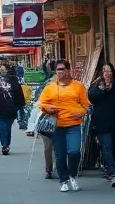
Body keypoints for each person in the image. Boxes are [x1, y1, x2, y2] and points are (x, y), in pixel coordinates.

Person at [37, 59, 91, 192]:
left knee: (74, 152)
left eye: (62, 69)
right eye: (57, 69)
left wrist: (80, 112)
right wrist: (48, 108)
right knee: (60, 154)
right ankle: (63, 180)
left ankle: (72, 175)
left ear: (68, 70)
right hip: (57, 125)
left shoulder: (78, 86)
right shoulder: (50, 87)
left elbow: (86, 105)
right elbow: (41, 103)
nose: (60, 72)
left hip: (73, 124)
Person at [88, 63, 115, 186]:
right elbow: (91, 97)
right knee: (107, 146)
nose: (107, 74)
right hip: (102, 122)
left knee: (114, 146)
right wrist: (102, 90)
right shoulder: (97, 85)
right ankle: (112, 173)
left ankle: (113, 169)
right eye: (104, 71)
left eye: (109, 71)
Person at [0, 63, 25, 155]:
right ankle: (4, 145)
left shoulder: (14, 80)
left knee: (7, 127)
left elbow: (19, 94)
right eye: (1, 69)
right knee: (2, 127)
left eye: (4, 69)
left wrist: (20, 107)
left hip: (11, 108)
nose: (2, 71)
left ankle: (7, 144)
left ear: (8, 70)